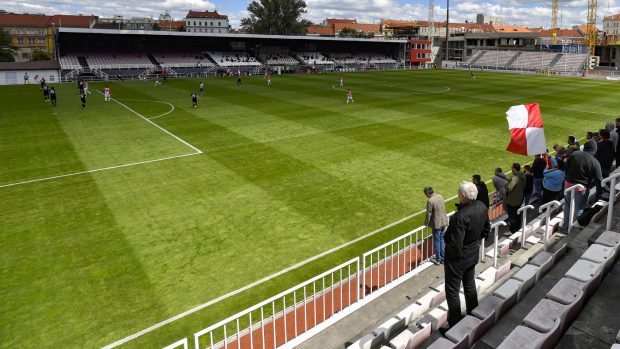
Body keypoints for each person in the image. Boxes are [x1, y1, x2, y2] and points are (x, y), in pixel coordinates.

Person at [440, 181, 490, 333]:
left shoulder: (460, 216)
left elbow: (455, 243)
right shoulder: (481, 206)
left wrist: (451, 255)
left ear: (462, 196)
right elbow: (486, 229)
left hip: (458, 259)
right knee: (469, 285)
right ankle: (473, 315)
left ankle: (455, 326)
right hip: (472, 253)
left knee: (453, 291)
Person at [562, 140, 602, 232]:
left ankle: (566, 227)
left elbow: (566, 167)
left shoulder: (574, 154)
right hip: (581, 188)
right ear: (594, 149)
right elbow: (599, 180)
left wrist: (568, 178)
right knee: (579, 208)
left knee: (567, 206)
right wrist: (599, 195)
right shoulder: (595, 161)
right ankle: (573, 229)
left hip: (568, 185)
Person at [423, 187, 448, 265]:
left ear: (427, 193)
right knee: (441, 239)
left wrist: (426, 223)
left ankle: (438, 259)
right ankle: (442, 258)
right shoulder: (440, 196)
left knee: (437, 241)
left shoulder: (430, 201)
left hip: (437, 224)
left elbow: (429, 214)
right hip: (443, 221)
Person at [505, 163, 526, 234]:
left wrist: (506, 183)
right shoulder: (523, 175)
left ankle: (512, 231)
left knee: (512, 216)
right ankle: (518, 228)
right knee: (518, 214)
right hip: (519, 198)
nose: (511, 169)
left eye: (512, 168)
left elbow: (509, 188)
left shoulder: (515, 178)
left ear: (514, 169)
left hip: (513, 200)